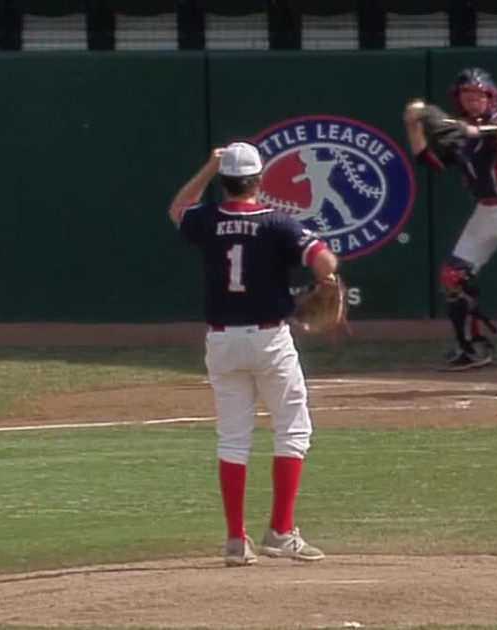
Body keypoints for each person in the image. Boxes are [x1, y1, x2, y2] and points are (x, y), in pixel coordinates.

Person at [170, 142, 338, 567]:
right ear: (259, 180)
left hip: (222, 341)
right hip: (269, 340)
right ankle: (280, 531)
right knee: (292, 428)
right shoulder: (278, 223)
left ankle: (235, 540)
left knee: (233, 437)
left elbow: (178, 209)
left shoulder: (207, 220)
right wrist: (328, 280)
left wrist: (208, 166)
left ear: (225, 181)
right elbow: (324, 262)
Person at [403, 67, 497, 371]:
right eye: (467, 96)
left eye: (479, 96)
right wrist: (413, 125)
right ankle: (472, 348)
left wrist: (465, 129)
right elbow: (426, 158)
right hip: (486, 210)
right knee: (452, 278)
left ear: (490, 98)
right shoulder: (456, 133)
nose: (473, 102)